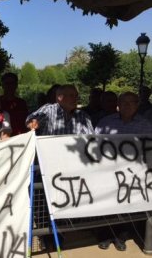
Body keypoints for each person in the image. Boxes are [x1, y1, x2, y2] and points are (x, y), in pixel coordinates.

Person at [95, 91, 152, 251]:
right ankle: (105, 236)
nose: (127, 105)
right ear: (118, 104)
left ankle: (121, 238)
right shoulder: (105, 122)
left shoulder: (146, 124)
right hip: (108, 172)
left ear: (137, 104)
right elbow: (93, 145)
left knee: (127, 206)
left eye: (131, 102)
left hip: (134, 174)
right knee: (107, 206)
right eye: (123, 102)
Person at [26, 84, 94, 135]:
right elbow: (31, 119)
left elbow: (91, 139)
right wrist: (33, 122)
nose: (76, 99)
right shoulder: (49, 110)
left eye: (76, 96)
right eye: (71, 95)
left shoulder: (83, 116)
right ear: (60, 97)